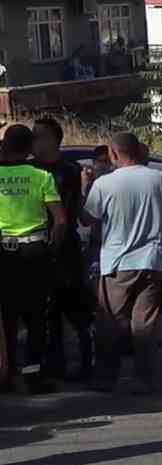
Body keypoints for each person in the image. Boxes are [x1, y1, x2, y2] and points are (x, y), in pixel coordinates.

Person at [80, 132, 162, 396]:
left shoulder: (105, 184)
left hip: (117, 262)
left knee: (109, 321)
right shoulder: (158, 178)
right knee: (144, 322)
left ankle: (106, 377)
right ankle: (144, 377)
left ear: (114, 154)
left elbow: (88, 219)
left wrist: (86, 187)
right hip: (152, 259)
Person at [0, 124, 68, 391]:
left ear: (5, 144)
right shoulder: (42, 176)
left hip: (3, 255)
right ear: (29, 148)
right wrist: (52, 248)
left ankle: (6, 372)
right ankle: (32, 375)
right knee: (36, 316)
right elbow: (60, 221)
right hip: (34, 252)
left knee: (6, 315)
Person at [31, 117, 95, 380]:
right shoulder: (27, 170)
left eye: (38, 136)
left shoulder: (69, 171)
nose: (33, 142)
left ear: (53, 139)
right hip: (36, 247)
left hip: (65, 249)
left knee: (76, 309)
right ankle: (54, 365)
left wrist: (85, 189)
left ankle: (87, 363)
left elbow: (80, 215)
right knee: (48, 313)